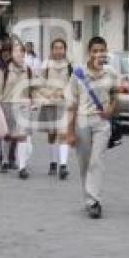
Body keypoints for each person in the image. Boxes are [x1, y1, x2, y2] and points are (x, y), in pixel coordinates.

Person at [67, 36, 119, 219]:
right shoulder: (78, 73)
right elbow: (71, 104)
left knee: (97, 160)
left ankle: (93, 201)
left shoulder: (111, 72)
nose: (99, 54)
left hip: (101, 122)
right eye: (95, 50)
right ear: (89, 52)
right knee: (84, 163)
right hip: (82, 120)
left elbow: (115, 95)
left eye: (102, 50)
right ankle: (89, 197)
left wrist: (111, 110)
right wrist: (70, 132)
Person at [0, 39, 35, 179]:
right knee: (8, 136)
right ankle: (5, 160)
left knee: (22, 135)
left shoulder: (28, 70)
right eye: (16, 51)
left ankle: (22, 167)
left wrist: (33, 100)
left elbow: (33, 87)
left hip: (23, 105)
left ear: (24, 54)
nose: (19, 54)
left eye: (21, 52)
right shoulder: (4, 69)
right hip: (7, 104)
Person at [38, 38, 73, 180]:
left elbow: (74, 84)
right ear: (52, 50)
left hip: (64, 104)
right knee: (52, 134)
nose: (58, 50)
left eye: (61, 48)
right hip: (49, 102)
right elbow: (39, 83)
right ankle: (53, 162)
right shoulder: (45, 65)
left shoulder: (70, 66)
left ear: (65, 50)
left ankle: (63, 165)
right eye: (56, 48)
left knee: (63, 133)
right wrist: (48, 94)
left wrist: (65, 93)